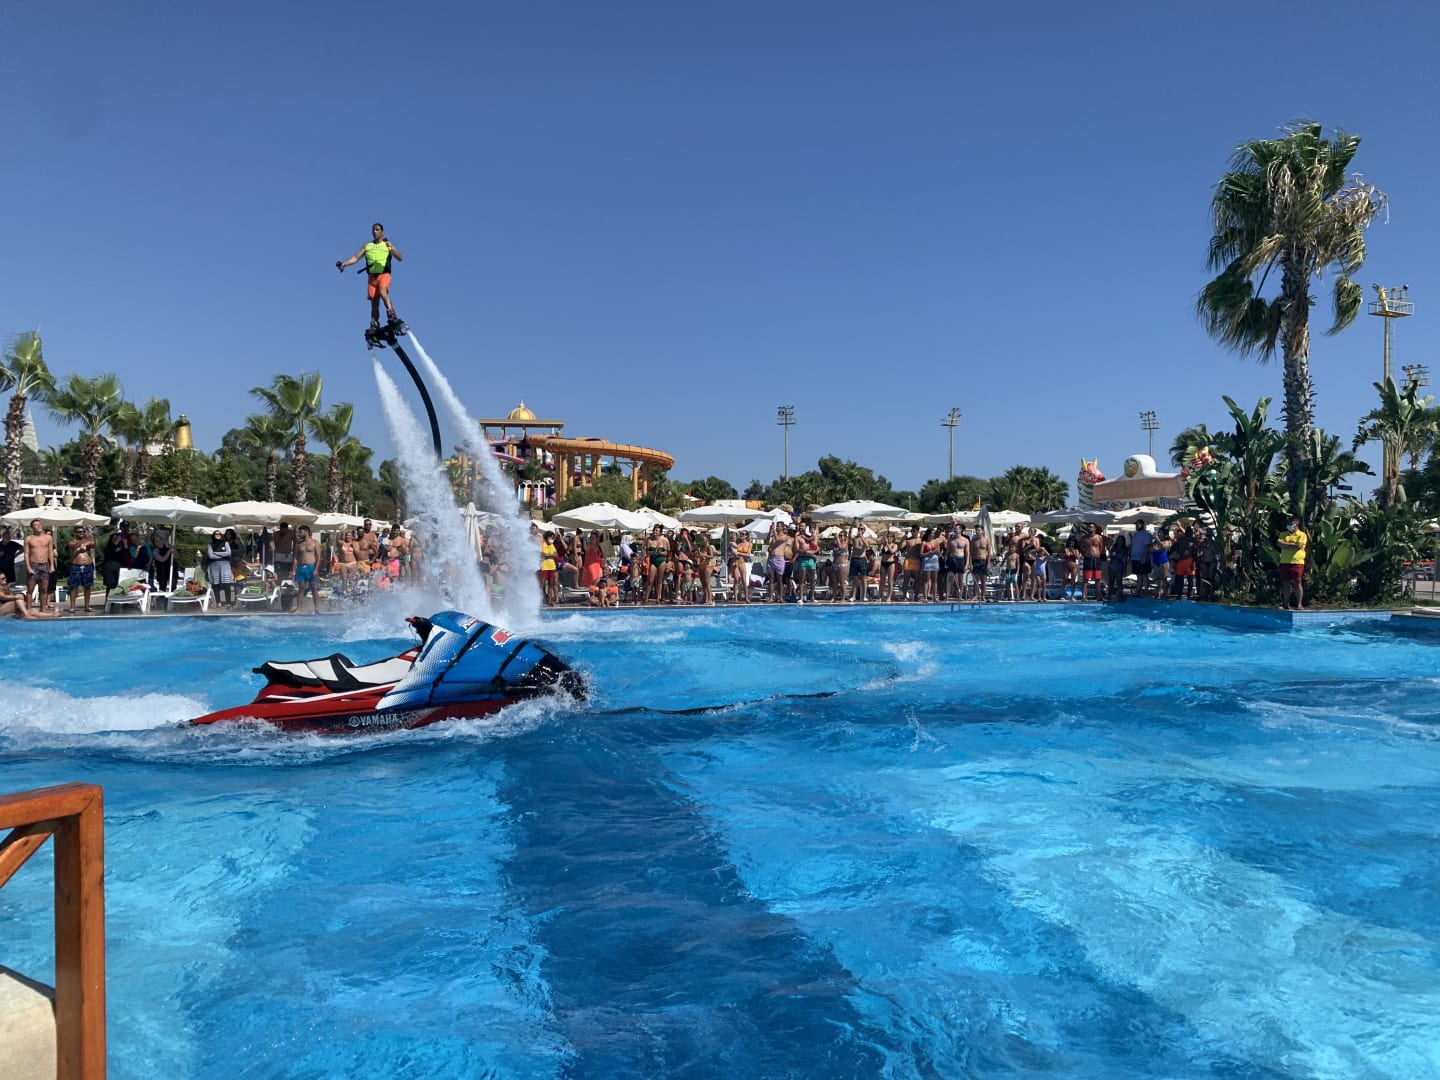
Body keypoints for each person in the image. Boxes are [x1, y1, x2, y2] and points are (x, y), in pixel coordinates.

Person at [337, 223, 404, 331]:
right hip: (372, 277)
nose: (374, 232)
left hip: (384, 274)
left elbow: (400, 258)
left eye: (377, 230)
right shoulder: (367, 246)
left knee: (383, 291)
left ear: (382, 232)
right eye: (373, 230)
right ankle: (374, 323)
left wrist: (392, 248)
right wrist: (344, 263)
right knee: (374, 302)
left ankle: (391, 314)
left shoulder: (387, 245)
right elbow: (355, 258)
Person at [22, 520, 56, 614]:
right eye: (36, 525)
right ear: (32, 527)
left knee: (44, 589)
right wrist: (28, 567)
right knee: (30, 589)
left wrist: (52, 566)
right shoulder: (29, 538)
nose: (38, 526)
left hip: (45, 565)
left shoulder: (48, 538)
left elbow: (50, 552)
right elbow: (26, 554)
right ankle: (29, 609)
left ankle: (43, 609)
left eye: (39, 524)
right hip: (34, 564)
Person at [1277, 513, 1308, 610]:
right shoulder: (1283, 534)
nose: (1289, 525)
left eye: (1291, 523)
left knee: (1297, 582)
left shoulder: (1302, 535)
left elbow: (1299, 546)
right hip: (1284, 562)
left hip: (1297, 562)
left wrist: (1286, 545)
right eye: (1288, 523)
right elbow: (1279, 544)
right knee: (1286, 583)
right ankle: (1286, 604)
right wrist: (1292, 545)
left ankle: (1299, 604)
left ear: (1296, 524)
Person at [67, 526, 97, 614]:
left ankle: (87, 606)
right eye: (79, 532)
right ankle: (72, 607)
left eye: (83, 532)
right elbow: (72, 554)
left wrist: (93, 536)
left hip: (87, 566)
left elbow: (95, 545)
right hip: (76, 566)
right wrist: (80, 548)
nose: (82, 533)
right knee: (74, 586)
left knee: (87, 586)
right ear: (75, 533)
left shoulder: (87, 541)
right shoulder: (72, 542)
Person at [295, 526, 323, 613]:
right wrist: (293, 569)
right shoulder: (298, 544)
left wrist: (316, 569)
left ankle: (317, 608)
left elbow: (318, 557)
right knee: (301, 588)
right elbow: (295, 557)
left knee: (313, 587)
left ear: (306, 532)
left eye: (300, 532)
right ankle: (298, 609)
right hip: (301, 567)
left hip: (311, 567)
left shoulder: (315, 543)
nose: (299, 534)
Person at [205, 531, 236, 608]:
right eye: (216, 534)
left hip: (225, 567)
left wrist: (216, 553)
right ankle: (218, 602)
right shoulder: (210, 545)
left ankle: (228, 602)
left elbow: (228, 553)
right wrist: (222, 555)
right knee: (216, 585)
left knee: (227, 585)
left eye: (219, 534)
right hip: (214, 567)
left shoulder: (225, 543)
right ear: (213, 535)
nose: (218, 535)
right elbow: (211, 556)